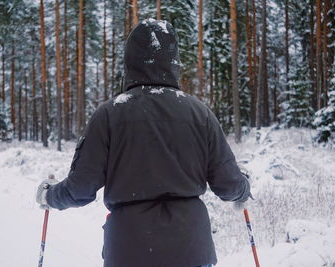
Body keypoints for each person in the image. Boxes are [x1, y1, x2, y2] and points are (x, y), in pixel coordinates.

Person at [36, 19, 250, 267]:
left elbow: (80, 188)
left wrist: (50, 196)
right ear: (174, 61)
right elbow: (229, 184)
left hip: (130, 252)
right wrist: (244, 187)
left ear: (130, 62)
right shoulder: (200, 114)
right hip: (191, 252)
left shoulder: (110, 114)